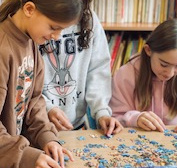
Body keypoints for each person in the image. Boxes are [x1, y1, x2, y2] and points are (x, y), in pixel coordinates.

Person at [0, 0, 84, 167]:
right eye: (53, 27)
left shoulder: (30, 42)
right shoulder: (3, 48)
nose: (57, 36)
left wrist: (46, 137)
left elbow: (34, 102)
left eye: (62, 30)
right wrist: (24, 155)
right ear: (29, 9)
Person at [40, 0, 123, 137]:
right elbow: (24, 79)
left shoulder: (89, 20)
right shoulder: (39, 19)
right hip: (39, 127)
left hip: (77, 125)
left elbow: (98, 70)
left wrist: (101, 111)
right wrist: (47, 108)